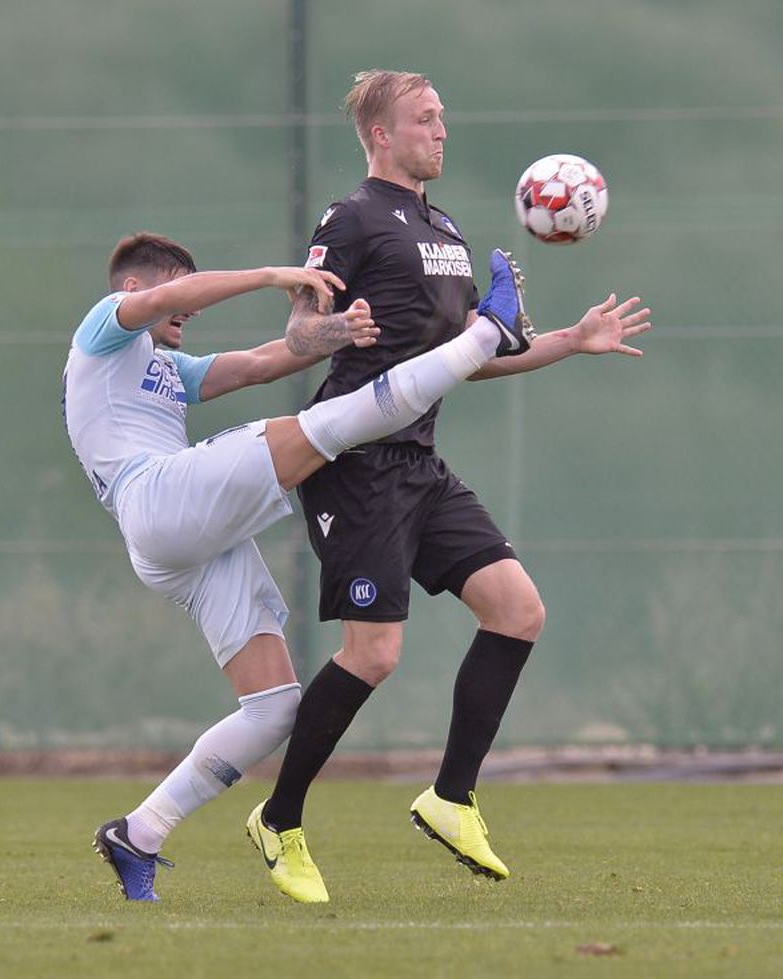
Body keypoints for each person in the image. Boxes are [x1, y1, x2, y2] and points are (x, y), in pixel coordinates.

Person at [246, 70, 652, 904]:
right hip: (355, 463)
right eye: (423, 119)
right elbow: (297, 331)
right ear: (380, 136)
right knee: (376, 654)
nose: (440, 131)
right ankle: (278, 817)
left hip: (420, 464)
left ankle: (451, 797)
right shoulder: (350, 219)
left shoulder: (447, 230)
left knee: (518, 610)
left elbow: (485, 355)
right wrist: (338, 327)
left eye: (442, 118)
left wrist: (573, 340)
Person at [65, 231, 536, 901]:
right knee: (334, 426)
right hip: (156, 498)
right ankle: (488, 333)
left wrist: (339, 332)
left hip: (181, 540)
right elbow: (169, 298)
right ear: (133, 290)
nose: (186, 310)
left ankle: (139, 832)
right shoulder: (101, 329)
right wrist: (268, 273)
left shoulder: (165, 367)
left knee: (275, 707)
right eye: (175, 290)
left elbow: (262, 362)